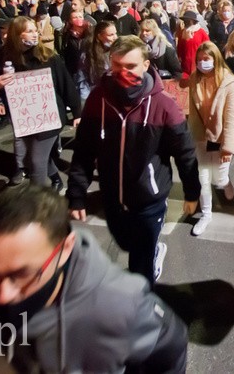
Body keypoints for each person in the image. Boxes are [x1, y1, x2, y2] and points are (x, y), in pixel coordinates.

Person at [0, 186, 189, 373]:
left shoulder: (121, 305)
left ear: (65, 248)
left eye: (21, 274)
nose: (3, 295)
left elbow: (171, 348)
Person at [67, 35, 201, 285]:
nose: (122, 72)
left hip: (148, 199)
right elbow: (84, 148)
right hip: (112, 196)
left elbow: (185, 153)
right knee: (125, 242)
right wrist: (77, 192)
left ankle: (143, 309)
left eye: (130, 66)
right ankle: (150, 253)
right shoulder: (98, 99)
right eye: (116, 66)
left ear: (146, 65)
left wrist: (192, 193)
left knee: (139, 266)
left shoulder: (165, 105)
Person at [0, 17, 81, 190]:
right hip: (24, 117)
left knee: (36, 161)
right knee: (34, 157)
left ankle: (37, 204)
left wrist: (77, 113)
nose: (34, 34)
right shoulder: (5, 57)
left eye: (35, 30)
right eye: (29, 31)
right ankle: (56, 178)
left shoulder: (48, 56)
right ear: (16, 35)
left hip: (49, 116)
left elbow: (66, 85)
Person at [187, 42, 234, 236]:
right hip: (201, 136)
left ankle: (226, 183)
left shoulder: (231, 84)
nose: (203, 63)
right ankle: (206, 214)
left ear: (216, 59)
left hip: (219, 138)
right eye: (199, 60)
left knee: (218, 178)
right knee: (203, 177)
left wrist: (228, 147)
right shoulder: (195, 78)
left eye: (207, 59)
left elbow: (232, 118)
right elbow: (192, 108)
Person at [81, 21, 117, 100]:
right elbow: (82, 79)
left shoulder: (118, 51)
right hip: (97, 95)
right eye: (111, 35)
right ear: (100, 36)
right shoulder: (89, 54)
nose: (115, 37)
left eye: (115, 33)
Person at [176, 10, 209, 80]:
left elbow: (208, 47)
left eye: (187, 20)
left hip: (198, 63)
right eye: (184, 20)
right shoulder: (182, 32)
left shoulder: (201, 32)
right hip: (185, 65)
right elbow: (179, 48)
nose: (185, 22)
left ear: (193, 21)